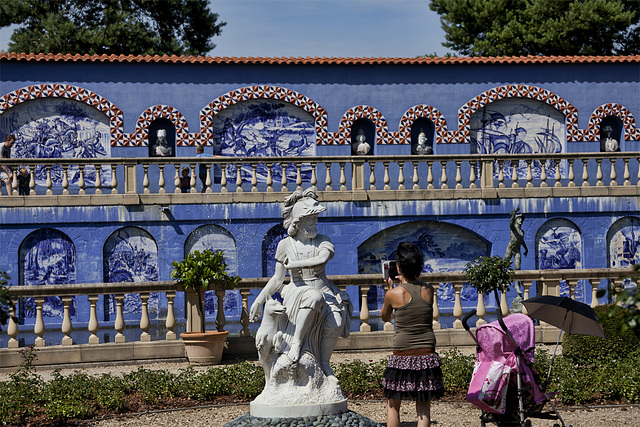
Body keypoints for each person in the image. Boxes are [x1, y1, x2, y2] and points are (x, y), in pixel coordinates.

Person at [249, 188, 352, 379]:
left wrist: (294, 264)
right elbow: (278, 279)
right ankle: (296, 343)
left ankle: (324, 363)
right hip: (297, 290)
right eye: (311, 218)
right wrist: (259, 301)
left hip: (323, 286)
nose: (315, 222)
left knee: (336, 322)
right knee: (313, 297)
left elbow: (322, 259)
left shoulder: (323, 240)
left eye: (316, 218)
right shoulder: (285, 245)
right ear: (299, 221)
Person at [381, 242, 444, 427]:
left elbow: (385, 318)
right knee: (423, 407)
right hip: (427, 352)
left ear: (399, 267)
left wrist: (390, 288)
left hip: (403, 351)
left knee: (393, 404)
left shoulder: (393, 294)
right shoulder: (428, 290)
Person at [504, 207, 528, 299]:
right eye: (519, 219)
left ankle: (516, 285)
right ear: (516, 220)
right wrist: (514, 213)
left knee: (517, 267)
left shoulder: (522, 231)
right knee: (505, 266)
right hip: (510, 249)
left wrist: (526, 249)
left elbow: (521, 241)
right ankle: (503, 282)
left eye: (521, 219)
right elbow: (510, 223)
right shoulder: (513, 228)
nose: (520, 220)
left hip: (517, 250)